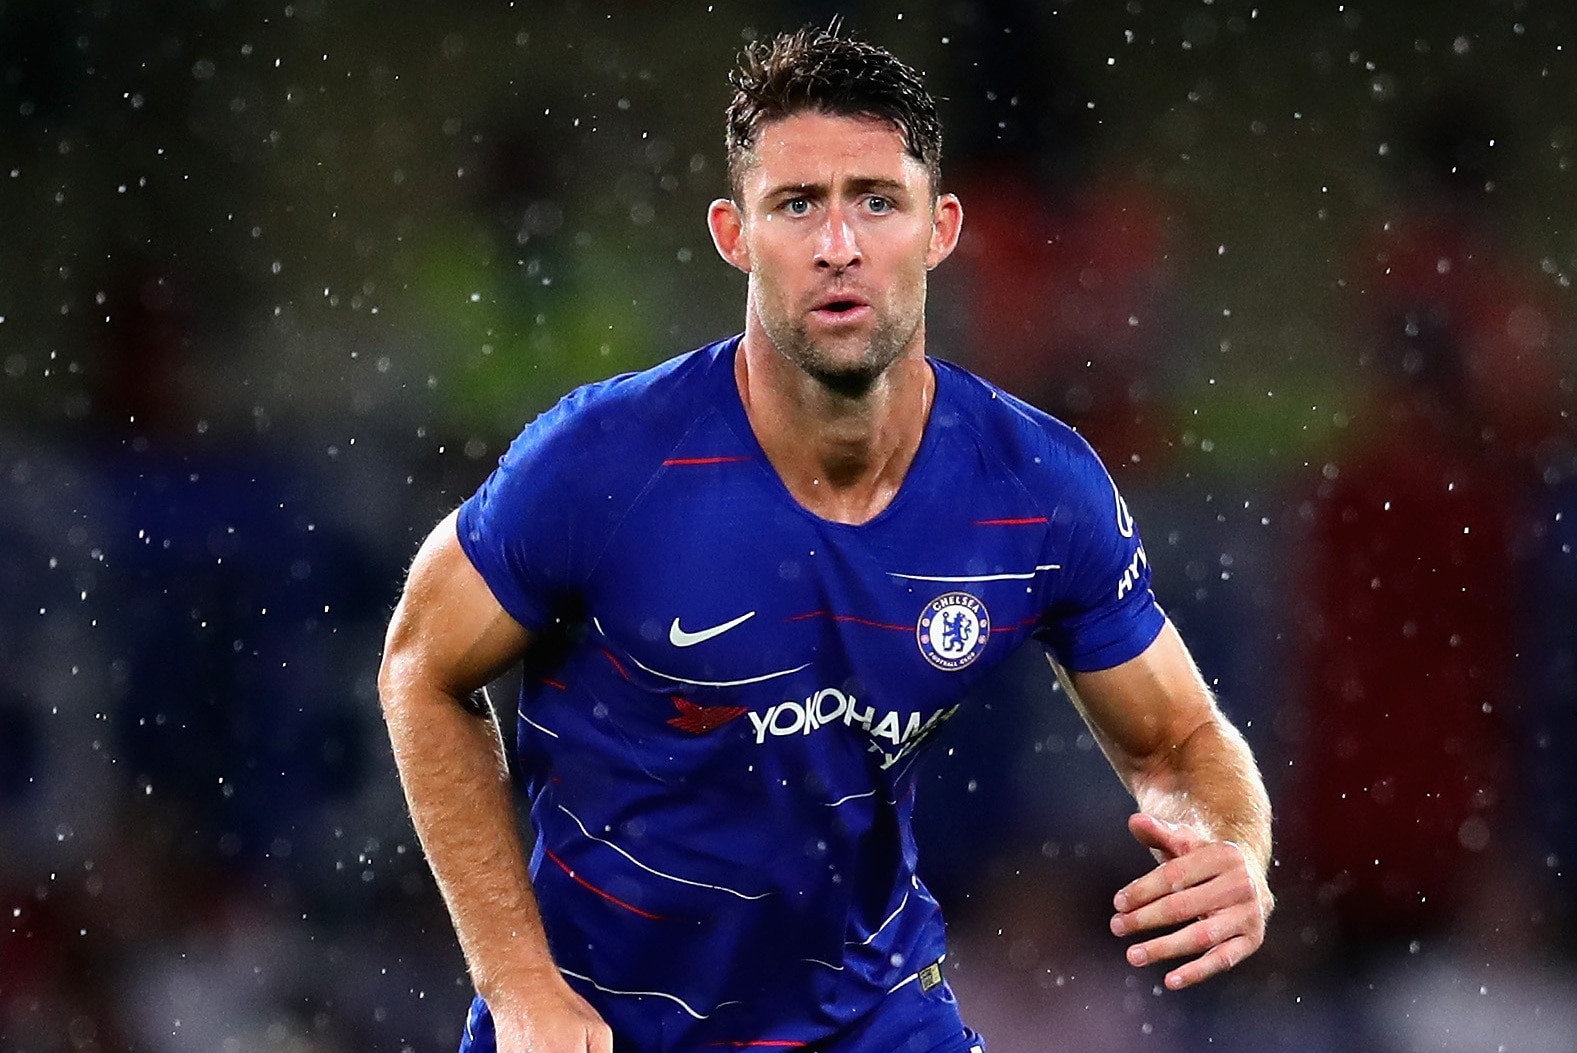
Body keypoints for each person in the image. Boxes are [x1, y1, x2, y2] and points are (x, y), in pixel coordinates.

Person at [378, 26, 1273, 1053]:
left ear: (941, 228)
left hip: (873, 1019)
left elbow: (1178, 739)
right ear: (733, 233)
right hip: (599, 1028)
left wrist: (1231, 844)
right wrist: (519, 985)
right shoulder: (601, 461)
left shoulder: (1035, 487)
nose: (837, 244)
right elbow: (420, 668)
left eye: (876, 201)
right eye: (797, 204)